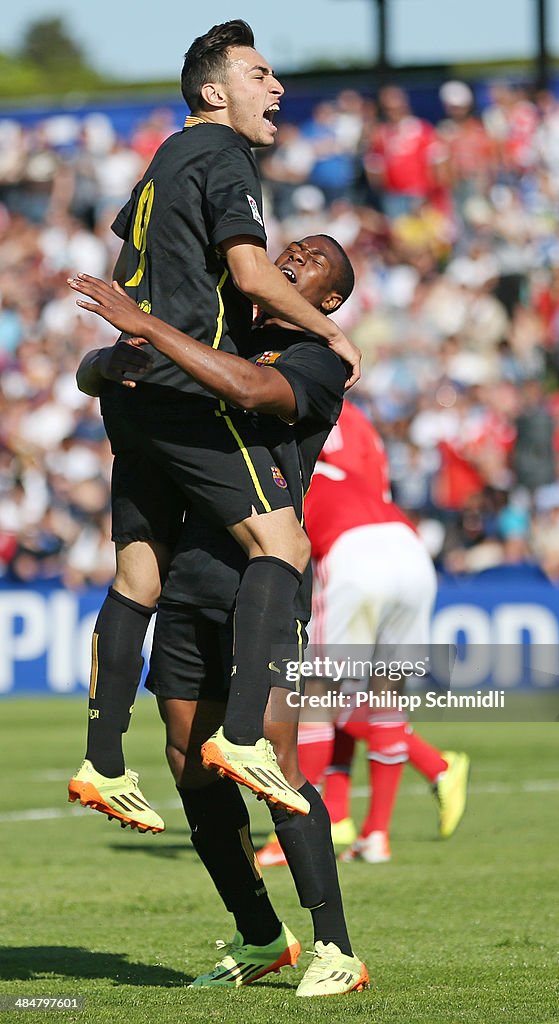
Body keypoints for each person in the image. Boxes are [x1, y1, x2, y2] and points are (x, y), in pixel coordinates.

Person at [67, 20, 361, 826]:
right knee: (284, 543)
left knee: (137, 576)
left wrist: (118, 352)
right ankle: (241, 738)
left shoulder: (162, 160)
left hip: (131, 387)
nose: (276, 88)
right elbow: (250, 271)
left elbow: (132, 253)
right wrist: (334, 331)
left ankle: (100, 759)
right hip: (183, 384)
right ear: (213, 91)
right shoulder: (225, 155)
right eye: (260, 74)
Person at [71, 234, 369, 996]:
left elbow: (247, 391)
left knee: (271, 758)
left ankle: (337, 947)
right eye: (291, 247)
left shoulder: (317, 360)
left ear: (327, 302)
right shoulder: (222, 326)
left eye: (309, 263)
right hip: (187, 572)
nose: (291, 257)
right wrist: (114, 361)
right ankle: (261, 935)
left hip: (261, 578)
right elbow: (100, 375)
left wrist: (147, 332)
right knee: (186, 757)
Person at [258, 402, 470, 866]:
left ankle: (295, 835)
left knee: (314, 695)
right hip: (410, 549)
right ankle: (374, 834)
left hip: (353, 555)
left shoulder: (281, 477)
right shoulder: (350, 463)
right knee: (385, 695)